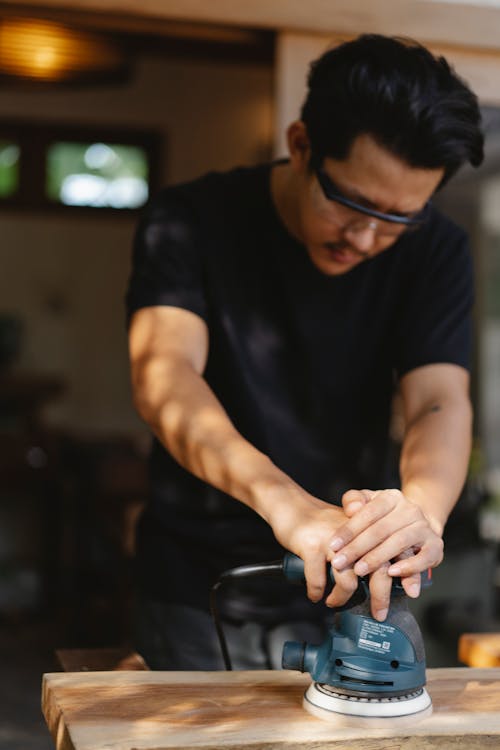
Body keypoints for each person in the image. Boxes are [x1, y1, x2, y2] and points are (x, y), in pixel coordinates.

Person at [126, 34, 484, 670]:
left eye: (400, 217)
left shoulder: (437, 251)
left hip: (343, 572)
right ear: (300, 146)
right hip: (197, 574)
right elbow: (166, 378)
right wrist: (287, 506)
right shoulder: (190, 220)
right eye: (352, 204)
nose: (367, 238)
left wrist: (418, 517)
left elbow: (437, 399)